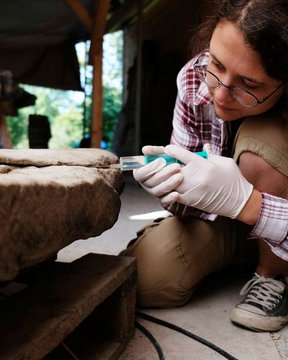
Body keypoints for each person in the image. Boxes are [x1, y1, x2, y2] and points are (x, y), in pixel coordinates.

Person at [121, 0, 288, 332]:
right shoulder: (195, 79)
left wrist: (250, 204)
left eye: (249, 85)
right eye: (216, 63)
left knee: (263, 140)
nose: (221, 94)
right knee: (145, 278)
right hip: (227, 223)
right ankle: (250, 253)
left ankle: (273, 274)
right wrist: (171, 189)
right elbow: (183, 210)